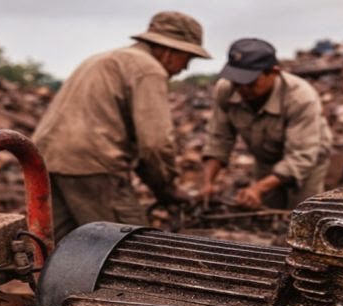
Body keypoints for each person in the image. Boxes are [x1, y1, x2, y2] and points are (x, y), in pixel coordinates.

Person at [32, 12, 210, 241]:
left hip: (45, 160)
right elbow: (155, 144)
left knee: (59, 246)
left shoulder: (104, 59)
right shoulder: (149, 69)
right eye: (188, 58)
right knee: (134, 249)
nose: (185, 68)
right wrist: (166, 188)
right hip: (93, 165)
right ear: (169, 51)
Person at [200, 38, 332, 210]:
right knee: (267, 210)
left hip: (309, 158)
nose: (242, 88)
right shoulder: (225, 90)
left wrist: (257, 188)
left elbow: (302, 156)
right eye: (237, 81)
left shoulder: (300, 98)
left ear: (274, 72)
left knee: (303, 213)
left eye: (250, 83)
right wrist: (207, 183)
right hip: (266, 157)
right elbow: (219, 138)